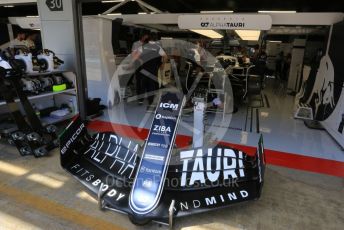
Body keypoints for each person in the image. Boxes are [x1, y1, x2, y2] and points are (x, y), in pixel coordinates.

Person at [133, 33, 167, 108]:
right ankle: (151, 101)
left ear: (148, 39)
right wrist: (163, 64)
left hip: (144, 69)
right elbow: (165, 56)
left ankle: (140, 100)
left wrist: (140, 60)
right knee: (151, 85)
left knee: (142, 85)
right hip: (153, 69)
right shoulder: (158, 47)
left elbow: (134, 57)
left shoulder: (143, 47)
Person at [131, 32, 149, 104]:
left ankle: (148, 95)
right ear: (142, 37)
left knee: (147, 79)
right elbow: (133, 54)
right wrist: (140, 60)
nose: (147, 38)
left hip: (146, 64)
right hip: (138, 64)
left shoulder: (148, 44)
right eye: (146, 37)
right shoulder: (136, 44)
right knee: (139, 80)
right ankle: (140, 96)